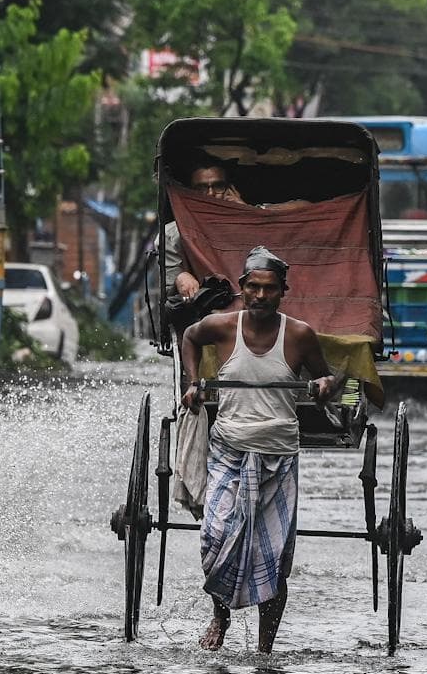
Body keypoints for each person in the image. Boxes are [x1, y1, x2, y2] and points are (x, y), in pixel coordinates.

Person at [179, 246, 341, 653]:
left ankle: (265, 650)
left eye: (269, 289)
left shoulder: (299, 334)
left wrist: (324, 387)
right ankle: (220, 616)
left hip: (278, 457)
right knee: (214, 535)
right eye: (254, 288)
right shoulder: (222, 326)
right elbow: (189, 337)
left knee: (272, 559)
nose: (261, 296)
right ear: (242, 289)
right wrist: (193, 382)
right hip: (229, 449)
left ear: (282, 292)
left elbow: (326, 379)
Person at [164, 159, 246, 299]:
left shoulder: (249, 222)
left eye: (218, 186)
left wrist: (244, 212)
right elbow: (170, 281)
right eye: (201, 188)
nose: (210, 193)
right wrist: (181, 277)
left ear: (230, 189)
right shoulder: (173, 234)